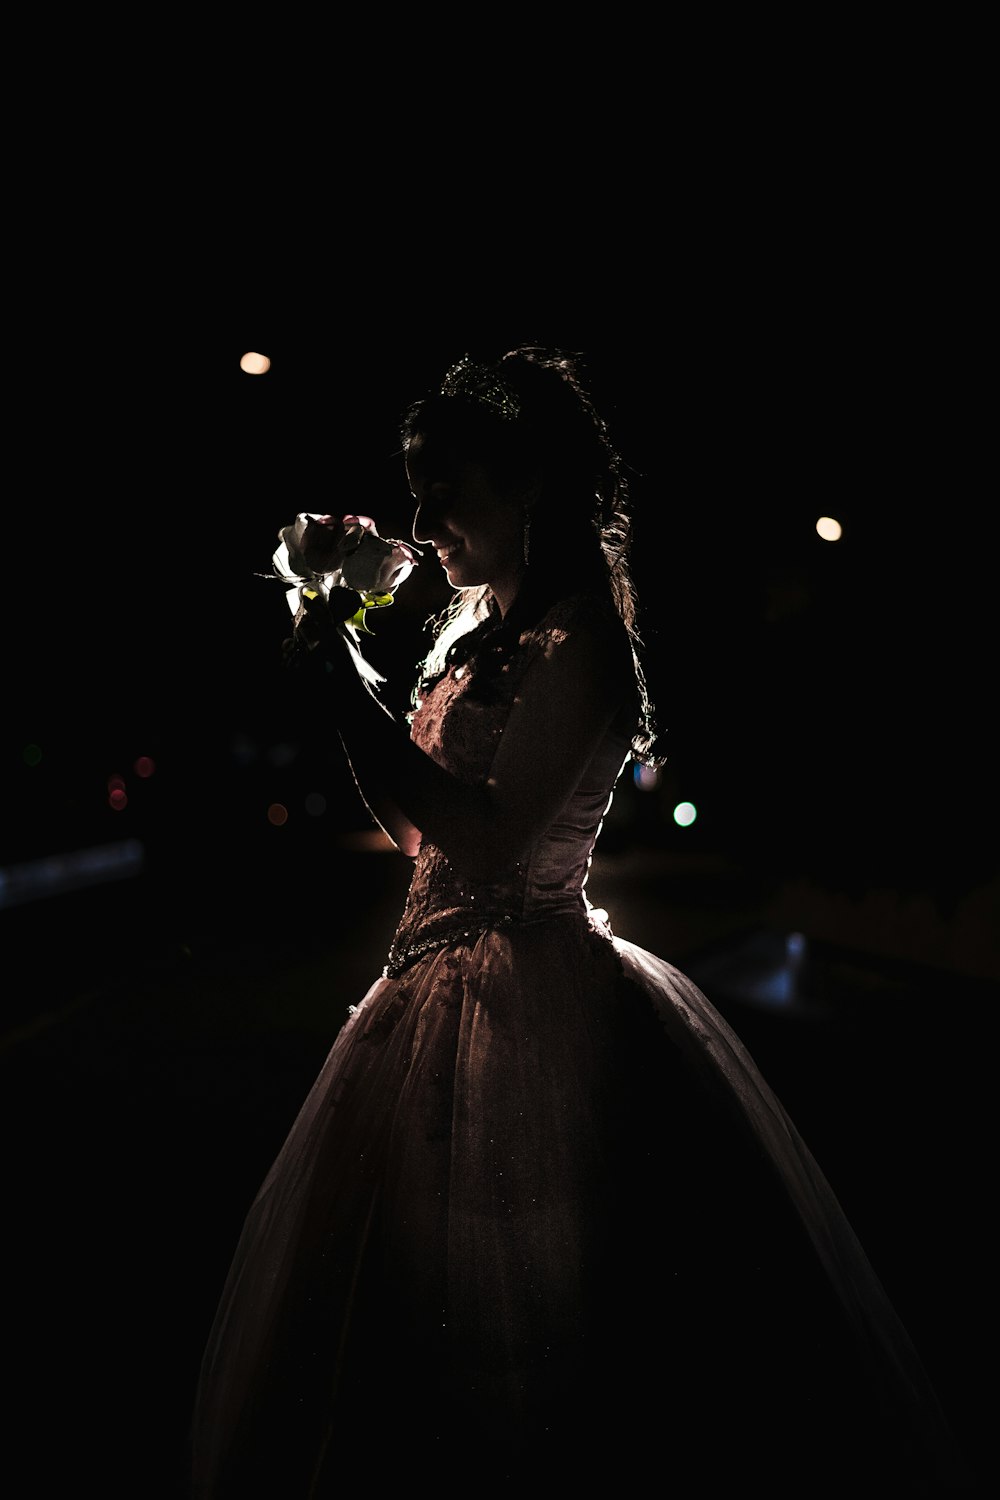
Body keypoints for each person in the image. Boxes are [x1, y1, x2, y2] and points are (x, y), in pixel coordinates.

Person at [190, 347, 977, 1497]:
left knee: (540, 1335)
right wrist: (351, 659)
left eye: (445, 486)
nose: (422, 517)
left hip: (528, 1002)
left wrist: (339, 688)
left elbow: (493, 838)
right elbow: (416, 835)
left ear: (528, 489)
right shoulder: (468, 638)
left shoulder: (581, 644)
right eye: (413, 488)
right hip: (425, 985)